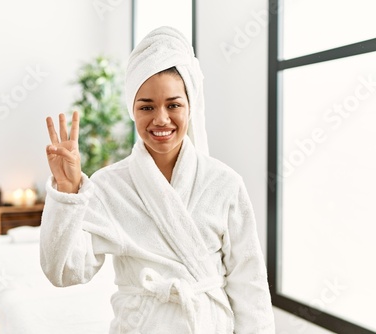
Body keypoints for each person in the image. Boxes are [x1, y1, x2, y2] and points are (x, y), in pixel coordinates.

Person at [40, 26, 275, 333]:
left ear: (190, 107)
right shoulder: (110, 186)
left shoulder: (225, 183)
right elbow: (65, 272)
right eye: (146, 106)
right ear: (132, 110)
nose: (161, 118)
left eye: (174, 105)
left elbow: (250, 283)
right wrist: (67, 192)